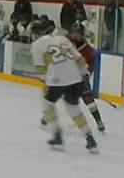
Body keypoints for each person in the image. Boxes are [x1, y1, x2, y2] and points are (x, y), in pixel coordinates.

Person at [29, 18, 97, 153]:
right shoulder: (63, 39)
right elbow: (80, 59)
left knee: (47, 105)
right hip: (75, 78)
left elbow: (40, 71)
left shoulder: (36, 45)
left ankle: (57, 136)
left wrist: (47, 81)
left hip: (56, 79)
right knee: (73, 108)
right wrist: (84, 75)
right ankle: (89, 138)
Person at [66, 23, 107, 135]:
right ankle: (47, 117)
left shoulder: (86, 50)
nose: (74, 34)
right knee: (56, 92)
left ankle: (99, 121)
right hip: (66, 75)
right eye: (73, 32)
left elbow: (91, 64)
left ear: (81, 35)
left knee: (88, 98)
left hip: (79, 76)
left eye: (77, 33)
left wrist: (87, 74)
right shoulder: (67, 41)